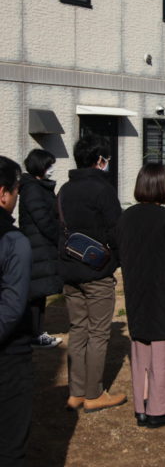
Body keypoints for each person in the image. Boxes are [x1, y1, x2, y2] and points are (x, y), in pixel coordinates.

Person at [116, 164, 165, 428]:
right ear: (164, 187)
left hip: (138, 294)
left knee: (143, 353)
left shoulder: (126, 217)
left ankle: (143, 405)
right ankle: (161, 409)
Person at [58, 135, 126, 412]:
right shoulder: (103, 190)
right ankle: (94, 393)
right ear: (100, 160)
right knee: (98, 333)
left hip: (69, 269)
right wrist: (115, 258)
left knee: (78, 330)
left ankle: (76, 392)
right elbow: (116, 229)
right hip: (97, 270)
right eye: (106, 159)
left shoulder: (64, 190)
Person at [0, 156, 33, 466]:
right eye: (15, 191)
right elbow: (11, 306)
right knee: (9, 445)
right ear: (3, 194)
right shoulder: (13, 241)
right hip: (9, 356)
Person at [19, 149, 64, 349]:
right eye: (49, 165)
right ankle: (34, 333)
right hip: (38, 246)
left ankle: (37, 332)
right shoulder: (32, 189)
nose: (52, 169)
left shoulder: (37, 186)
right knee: (36, 293)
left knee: (40, 292)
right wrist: (58, 237)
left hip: (40, 246)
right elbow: (43, 219)